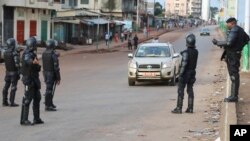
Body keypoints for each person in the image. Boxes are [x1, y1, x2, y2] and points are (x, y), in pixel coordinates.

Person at [212, 17, 250, 102]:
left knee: (234, 75)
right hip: (235, 54)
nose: (226, 25)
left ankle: (234, 96)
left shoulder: (234, 30)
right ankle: (233, 95)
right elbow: (247, 39)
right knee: (234, 75)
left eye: (228, 24)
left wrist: (217, 42)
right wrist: (239, 47)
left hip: (233, 55)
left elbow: (229, 43)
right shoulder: (240, 29)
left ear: (232, 23)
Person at [172, 33, 198, 114]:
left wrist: (180, 74)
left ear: (187, 42)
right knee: (190, 90)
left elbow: (184, 64)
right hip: (193, 73)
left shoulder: (186, 52)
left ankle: (179, 108)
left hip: (185, 73)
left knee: (180, 90)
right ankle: (190, 108)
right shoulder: (196, 52)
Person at [20, 37, 44, 125]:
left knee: (37, 98)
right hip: (29, 80)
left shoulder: (33, 54)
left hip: (34, 79)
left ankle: (36, 118)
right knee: (27, 100)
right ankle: (25, 119)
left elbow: (37, 67)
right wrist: (32, 62)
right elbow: (27, 61)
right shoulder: (27, 54)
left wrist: (37, 64)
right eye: (35, 45)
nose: (36, 47)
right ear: (32, 45)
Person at [42, 39, 61, 111]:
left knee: (49, 88)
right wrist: (58, 78)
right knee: (49, 90)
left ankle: (50, 103)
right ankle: (48, 105)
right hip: (51, 73)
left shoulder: (44, 53)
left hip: (45, 73)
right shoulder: (53, 54)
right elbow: (56, 68)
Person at [2, 38, 20, 107]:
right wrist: (19, 71)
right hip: (14, 72)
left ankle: (4, 101)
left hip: (8, 72)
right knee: (13, 87)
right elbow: (17, 64)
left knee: (6, 86)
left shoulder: (5, 52)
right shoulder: (14, 53)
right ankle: (12, 102)